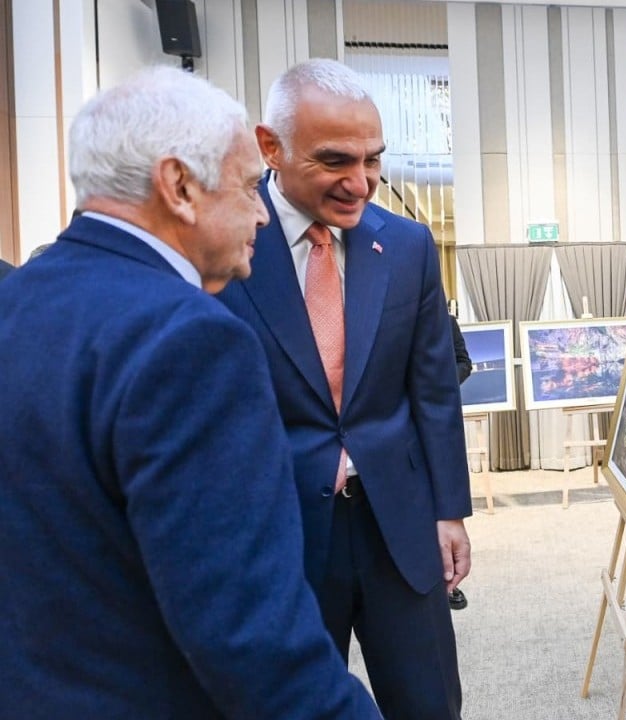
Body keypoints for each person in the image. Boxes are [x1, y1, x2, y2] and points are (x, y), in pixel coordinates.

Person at [0, 67, 379, 719]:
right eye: (248, 186)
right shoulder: (193, 341)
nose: (262, 211)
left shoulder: (16, 303)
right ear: (179, 186)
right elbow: (253, 639)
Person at [217, 58, 472, 719]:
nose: (361, 183)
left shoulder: (409, 246)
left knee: (429, 704)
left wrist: (449, 511)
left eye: (374, 160)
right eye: (336, 161)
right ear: (270, 146)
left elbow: (434, 390)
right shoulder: (228, 245)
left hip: (399, 523)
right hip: (284, 529)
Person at [447, 308, 471, 612]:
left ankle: (450, 582)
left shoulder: (446, 319)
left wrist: (440, 382)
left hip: (439, 411)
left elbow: (465, 363)